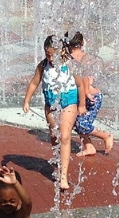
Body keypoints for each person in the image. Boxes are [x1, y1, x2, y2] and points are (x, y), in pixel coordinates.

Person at [22, 35, 79, 191]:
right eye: (47, 54)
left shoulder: (69, 63)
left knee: (65, 136)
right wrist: (26, 100)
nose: (49, 57)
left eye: (52, 54)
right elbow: (35, 82)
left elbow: (81, 82)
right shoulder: (43, 65)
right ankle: (59, 160)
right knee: (55, 136)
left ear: (60, 52)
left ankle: (63, 176)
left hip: (69, 102)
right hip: (51, 104)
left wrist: (83, 103)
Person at [67, 33, 114, 157]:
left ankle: (105, 135)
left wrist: (86, 93)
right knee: (74, 122)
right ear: (82, 43)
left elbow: (85, 79)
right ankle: (89, 147)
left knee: (81, 124)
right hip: (84, 96)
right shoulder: (87, 58)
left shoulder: (72, 59)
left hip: (91, 98)